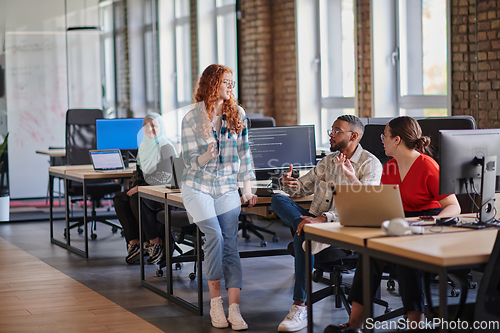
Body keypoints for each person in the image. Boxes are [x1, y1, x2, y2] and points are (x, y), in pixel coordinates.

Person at [325, 116, 461, 333]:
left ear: (397, 140)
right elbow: (377, 200)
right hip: (401, 224)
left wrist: (425, 224)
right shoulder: (390, 167)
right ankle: (354, 325)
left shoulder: (428, 166)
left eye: (384, 136)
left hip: (428, 226)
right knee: (369, 253)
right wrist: (352, 178)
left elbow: (453, 206)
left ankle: (415, 325)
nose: (382, 140)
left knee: (407, 255)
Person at [271, 115, 383, 332]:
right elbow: (302, 188)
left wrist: (324, 219)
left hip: (343, 228)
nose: (331, 135)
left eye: (336, 130)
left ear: (354, 136)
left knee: (304, 233)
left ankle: (299, 306)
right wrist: (286, 183)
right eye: (331, 130)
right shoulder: (328, 161)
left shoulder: (370, 164)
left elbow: (365, 206)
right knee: (278, 199)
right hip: (314, 221)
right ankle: (307, 227)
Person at [180, 64, 258, 330]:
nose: (230, 87)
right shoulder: (192, 118)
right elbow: (190, 162)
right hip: (197, 186)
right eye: (226, 82)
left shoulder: (237, 114)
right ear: (212, 83)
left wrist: (247, 189)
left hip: (226, 187)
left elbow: (245, 155)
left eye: (232, 83)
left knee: (229, 242)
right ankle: (216, 303)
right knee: (213, 235)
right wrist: (206, 155)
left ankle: (234, 308)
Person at [113, 113, 177, 265]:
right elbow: (138, 172)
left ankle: (155, 243)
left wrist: (140, 189)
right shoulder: (143, 147)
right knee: (120, 199)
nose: (150, 128)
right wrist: (134, 186)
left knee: (137, 197)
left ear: (160, 127)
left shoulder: (166, 147)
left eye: (154, 125)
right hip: (146, 190)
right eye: (146, 125)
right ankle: (134, 243)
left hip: (162, 192)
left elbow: (166, 176)